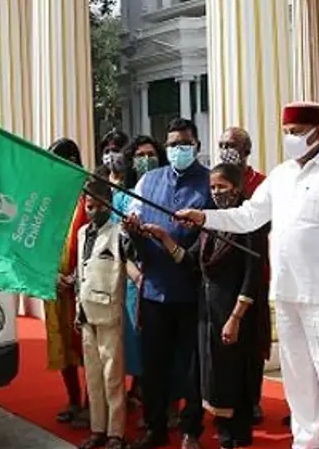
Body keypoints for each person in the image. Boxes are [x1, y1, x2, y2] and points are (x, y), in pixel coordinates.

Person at [175, 101, 319, 449]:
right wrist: (205, 217)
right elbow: (249, 216)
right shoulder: (282, 175)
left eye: (297, 133)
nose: (291, 139)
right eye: (287, 133)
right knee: (297, 376)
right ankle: (305, 441)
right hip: (287, 291)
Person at [142, 164, 270, 448]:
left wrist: (236, 317)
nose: (216, 192)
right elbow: (190, 261)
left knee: (236, 376)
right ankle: (220, 434)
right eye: (212, 188)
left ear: (237, 188)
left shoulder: (249, 222)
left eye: (222, 187)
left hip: (237, 315)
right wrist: (164, 237)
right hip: (208, 313)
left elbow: (253, 273)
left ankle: (235, 436)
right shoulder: (210, 224)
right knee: (210, 376)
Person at [124, 119, 210, 449]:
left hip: (192, 293)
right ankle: (155, 427)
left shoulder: (207, 183)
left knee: (191, 368)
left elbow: (210, 240)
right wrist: (131, 229)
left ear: (196, 146)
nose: (178, 150)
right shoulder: (148, 180)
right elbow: (129, 234)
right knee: (154, 365)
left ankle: (191, 430)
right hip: (155, 291)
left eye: (184, 144)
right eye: (173, 144)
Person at [215, 126, 269, 424]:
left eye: (232, 144)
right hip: (222, 275)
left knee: (253, 341)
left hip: (254, 272)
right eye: (222, 144)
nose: (226, 148)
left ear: (247, 149)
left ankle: (253, 399)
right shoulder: (216, 179)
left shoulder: (260, 183)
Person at [76, 174, 134, 449]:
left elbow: (132, 262)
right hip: (85, 314)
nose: (95, 211)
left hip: (109, 313)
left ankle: (116, 433)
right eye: (90, 206)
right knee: (92, 377)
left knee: (113, 376)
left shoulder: (119, 232)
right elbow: (81, 271)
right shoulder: (80, 234)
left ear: (110, 205)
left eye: (100, 206)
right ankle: (97, 429)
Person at [49, 138, 90, 429]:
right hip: (53, 284)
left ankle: (91, 404)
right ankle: (73, 400)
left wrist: (75, 277)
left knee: (86, 346)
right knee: (62, 343)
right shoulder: (46, 199)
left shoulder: (90, 196)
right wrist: (52, 275)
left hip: (83, 284)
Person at [100, 131, 145, 399]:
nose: (111, 155)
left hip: (130, 266)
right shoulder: (98, 185)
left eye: (116, 149)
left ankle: (138, 386)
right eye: (106, 150)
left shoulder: (135, 187)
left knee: (133, 329)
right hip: (104, 266)